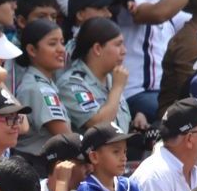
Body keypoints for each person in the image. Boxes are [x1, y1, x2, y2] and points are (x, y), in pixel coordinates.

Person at [58, 17, 131, 133]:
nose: (124, 51)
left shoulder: (112, 79)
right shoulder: (72, 83)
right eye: (118, 45)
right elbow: (99, 124)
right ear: (97, 49)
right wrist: (117, 88)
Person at [13, 19, 68, 161]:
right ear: (32, 50)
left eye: (62, 42)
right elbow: (65, 136)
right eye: (52, 43)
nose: (61, 49)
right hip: (36, 162)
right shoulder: (37, 87)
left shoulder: (46, 83)